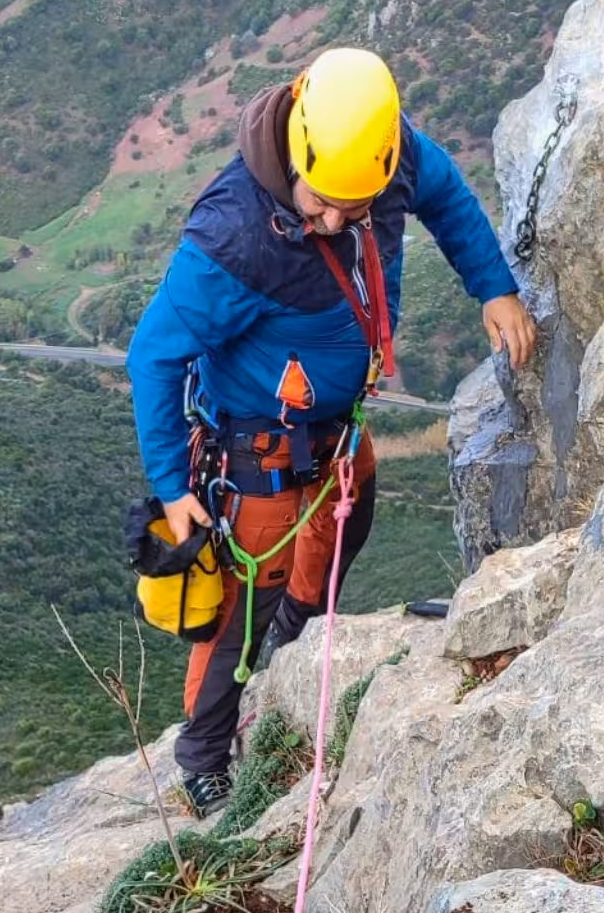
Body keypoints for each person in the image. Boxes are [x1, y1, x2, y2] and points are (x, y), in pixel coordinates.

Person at [125, 47, 535, 815]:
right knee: (243, 603)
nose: (340, 219)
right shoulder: (234, 236)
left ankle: (294, 654)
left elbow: (445, 198)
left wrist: (494, 288)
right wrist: (173, 490)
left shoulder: (383, 155)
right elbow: (153, 356)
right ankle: (205, 759)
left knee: (343, 540)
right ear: (296, 150)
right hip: (258, 452)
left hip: (334, 436)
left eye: (358, 204)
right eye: (323, 204)